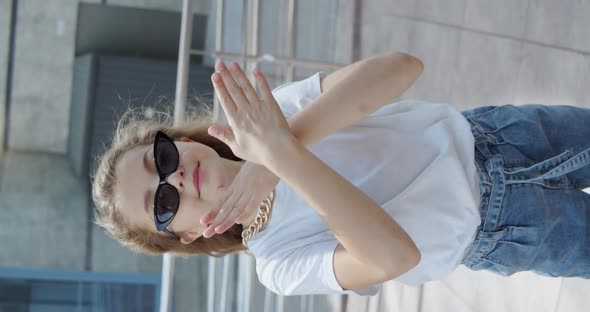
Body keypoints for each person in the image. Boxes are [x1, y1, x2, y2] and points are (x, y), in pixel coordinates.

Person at [91, 52, 590, 297]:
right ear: (183, 236)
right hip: (507, 231)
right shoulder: (279, 265)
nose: (172, 180)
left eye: (160, 159)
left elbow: (402, 68)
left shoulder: (272, 116)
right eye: (162, 205)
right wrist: (280, 161)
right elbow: (395, 256)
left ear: (176, 142)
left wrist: (276, 146)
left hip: (498, 134)